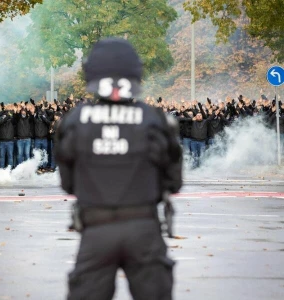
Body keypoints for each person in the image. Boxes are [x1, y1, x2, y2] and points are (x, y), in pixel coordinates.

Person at [55, 38, 182, 300]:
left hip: (95, 230)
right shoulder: (155, 119)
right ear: (136, 73)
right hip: (144, 230)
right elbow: (174, 180)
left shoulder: (75, 120)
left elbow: (67, 183)